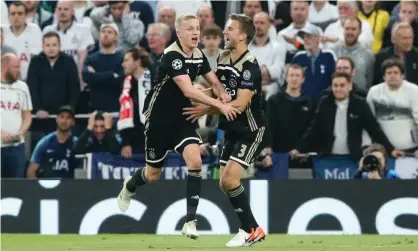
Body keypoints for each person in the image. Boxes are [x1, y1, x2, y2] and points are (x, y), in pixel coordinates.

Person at [116, 14, 238, 240]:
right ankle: (130, 185)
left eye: (197, 29)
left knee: (195, 161)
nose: (195, 33)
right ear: (179, 33)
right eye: (190, 29)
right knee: (152, 175)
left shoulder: (198, 54)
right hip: (158, 122)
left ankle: (190, 222)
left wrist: (222, 91)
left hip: (182, 117)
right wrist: (220, 105)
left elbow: (213, 81)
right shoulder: (172, 55)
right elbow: (190, 92)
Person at [183, 14, 267, 247]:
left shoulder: (249, 66)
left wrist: (205, 109)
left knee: (230, 179)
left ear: (242, 36)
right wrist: (195, 95)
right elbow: (219, 90)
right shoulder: (223, 56)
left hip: (251, 130)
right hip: (231, 130)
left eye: (230, 29)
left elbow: (239, 105)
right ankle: (249, 229)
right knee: (224, 182)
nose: (225, 32)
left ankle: (251, 230)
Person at [290, 72, 403, 162]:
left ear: (349, 86)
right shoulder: (325, 103)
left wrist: (391, 149)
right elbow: (313, 129)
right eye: (335, 85)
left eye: (342, 85)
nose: (338, 89)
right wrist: (299, 148)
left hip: (352, 158)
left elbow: (374, 129)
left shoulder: (360, 104)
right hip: (328, 157)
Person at [1, 53, 33, 178]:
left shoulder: (23, 87)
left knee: (16, 187)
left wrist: (20, 133)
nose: (19, 71)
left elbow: (27, 116)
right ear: (4, 67)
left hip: (17, 148)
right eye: (15, 67)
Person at [118, 47, 152, 156]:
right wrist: (126, 143)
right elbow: (124, 115)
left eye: (126, 60)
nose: (123, 64)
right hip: (135, 144)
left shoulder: (156, 80)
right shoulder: (126, 85)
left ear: (137, 62)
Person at [27, 106, 78, 179]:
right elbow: (31, 171)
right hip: (48, 188)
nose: (64, 121)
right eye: (62, 117)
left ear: (73, 122)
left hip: (69, 187)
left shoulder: (77, 143)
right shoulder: (45, 142)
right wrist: (38, 190)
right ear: (56, 119)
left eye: (68, 118)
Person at [1, 1, 42, 81]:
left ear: (26, 16)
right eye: (13, 14)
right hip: (6, 81)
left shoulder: (34, 30)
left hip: (29, 79)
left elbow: (37, 60)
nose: (16, 17)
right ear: (8, 16)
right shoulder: (2, 31)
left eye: (20, 13)